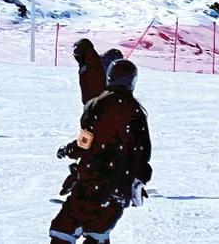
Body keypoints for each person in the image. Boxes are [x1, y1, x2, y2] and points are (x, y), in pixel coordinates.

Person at [49, 57, 151, 244]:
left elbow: (85, 142)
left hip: (91, 179)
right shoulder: (136, 112)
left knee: (64, 230)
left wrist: (69, 150)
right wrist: (139, 179)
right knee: (98, 232)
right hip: (118, 185)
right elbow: (142, 152)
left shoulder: (97, 105)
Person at [72, 38, 106, 107]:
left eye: (77, 53)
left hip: (96, 106)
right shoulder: (87, 64)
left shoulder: (92, 65)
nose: (76, 56)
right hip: (92, 105)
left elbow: (96, 89)